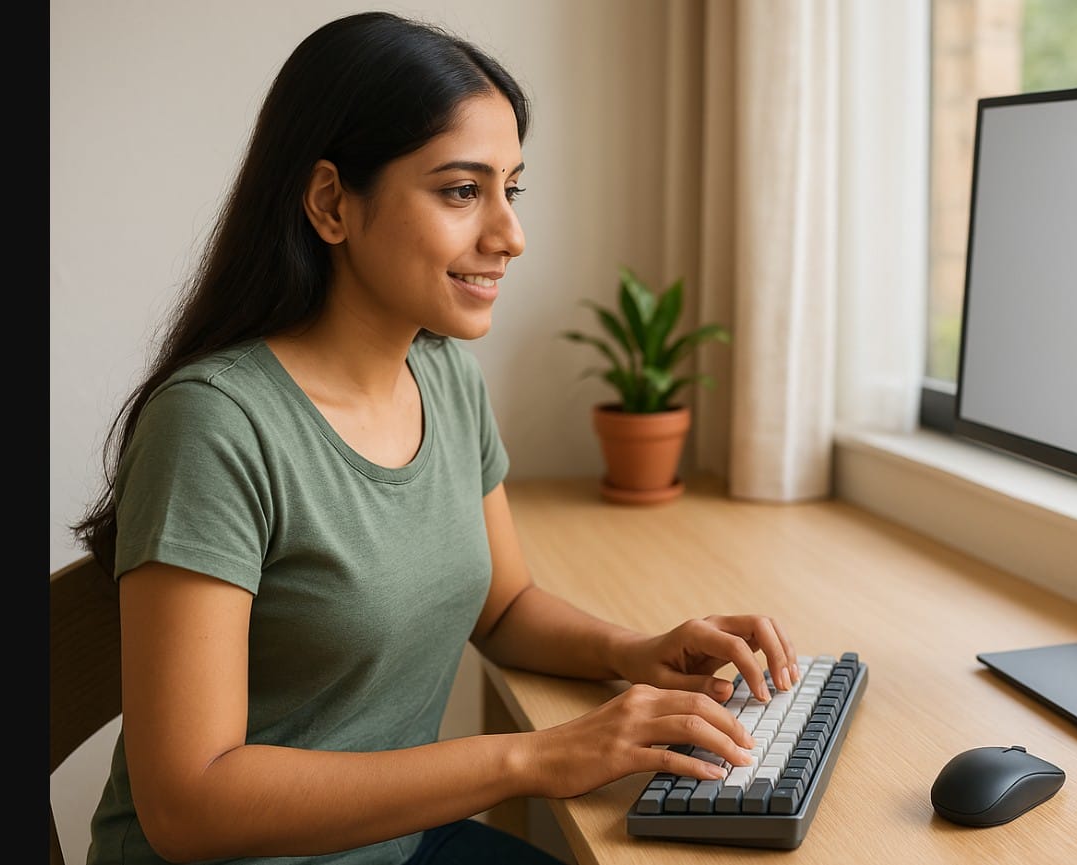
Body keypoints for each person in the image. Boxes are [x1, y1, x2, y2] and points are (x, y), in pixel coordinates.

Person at [70, 11, 798, 864]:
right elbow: (189, 803)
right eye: (461, 191)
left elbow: (506, 604)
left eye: (510, 188)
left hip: (395, 846)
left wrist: (639, 652)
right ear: (331, 203)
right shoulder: (213, 426)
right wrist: (537, 756)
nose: (509, 235)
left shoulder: (443, 374)